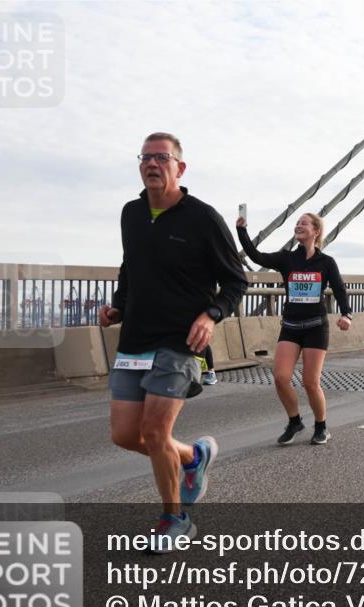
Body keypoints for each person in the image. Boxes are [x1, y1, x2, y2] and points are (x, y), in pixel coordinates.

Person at [99, 132, 248, 550]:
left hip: (180, 342)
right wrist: (118, 307)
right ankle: (193, 458)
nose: (151, 164)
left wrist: (212, 314)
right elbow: (132, 267)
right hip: (135, 339)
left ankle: (175, 519)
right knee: (126, 436)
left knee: (155, 430)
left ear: (179, 168)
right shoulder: (131, 213)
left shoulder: (203, 218)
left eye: (161, 157)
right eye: (145, 157)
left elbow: (237, 279)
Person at [237, 212, 352, 446]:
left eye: (304, 223)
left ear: (316, 231)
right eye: (296, 223)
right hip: (290, 326)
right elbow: (256, 255)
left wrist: (346, 314)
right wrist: (242, 231)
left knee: (310, 382)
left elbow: (339, 289)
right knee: (280, 378)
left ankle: (321, 426)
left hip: (316, 328)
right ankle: (294, 421)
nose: (298, 226)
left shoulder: (326, 262)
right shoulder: (286, 259)